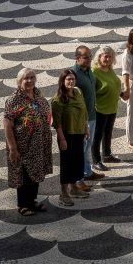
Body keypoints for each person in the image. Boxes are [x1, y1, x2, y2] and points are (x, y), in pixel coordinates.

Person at [4, 68, 52, 216]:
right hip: (23, 145)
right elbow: (7, 123)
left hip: (38, 143)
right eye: (26, 78)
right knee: (24, 174)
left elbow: (46, 112)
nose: (29, 81)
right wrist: (12, 147)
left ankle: (32, 201)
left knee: (36, 171)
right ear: (19, 81)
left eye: (32, 77)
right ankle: (23, 204)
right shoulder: (14, 100)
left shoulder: (38, 94)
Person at [51, 69, 89, 207]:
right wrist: (61, 139)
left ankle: (74, 188)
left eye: (73, 79)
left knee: (77, 161)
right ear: (62, 81)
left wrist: (86, 127)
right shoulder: (57, 100)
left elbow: (83, 111)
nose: (71, 82)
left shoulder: (78, 93)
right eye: (68, 79)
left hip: (79, 133)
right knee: (66, 164)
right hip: (67, 135)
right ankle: (64, 193)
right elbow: (57, 122)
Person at [70, 46, 100, 182]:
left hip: (92, 115)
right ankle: (78, 179)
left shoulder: (89, 71)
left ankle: (87, 172)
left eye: (90, 56)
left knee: (88, 146)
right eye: (86, 57)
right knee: (80, 148)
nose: (89, 59)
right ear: (77, 59)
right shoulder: (72, 74)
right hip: (81, 119)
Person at [90, 47, 121, 172]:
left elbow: (113, 84)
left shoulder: (110, 70)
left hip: (112, 107)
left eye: (110, 57)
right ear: (99, 57)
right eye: (105, 56)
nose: (108, 59)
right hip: (100, 108)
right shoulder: (94, 72)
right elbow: (91, 92)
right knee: (97, 136)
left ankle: (107, 155)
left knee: (108, 133)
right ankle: (96, 161)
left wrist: (121, 93)